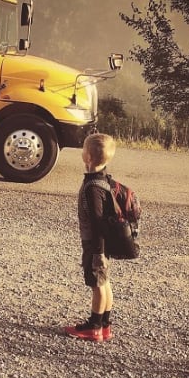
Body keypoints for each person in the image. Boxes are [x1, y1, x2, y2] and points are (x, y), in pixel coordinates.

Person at [64, 133, 116, 342]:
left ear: (88, 157)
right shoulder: (103, 180)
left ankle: (94, 327)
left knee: (98, 285)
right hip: (101, 244)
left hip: (95, 244)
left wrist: (98, 251)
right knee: (105, 281)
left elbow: (97, 222)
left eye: (84, 150)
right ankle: (105, 324)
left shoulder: (92, 187)